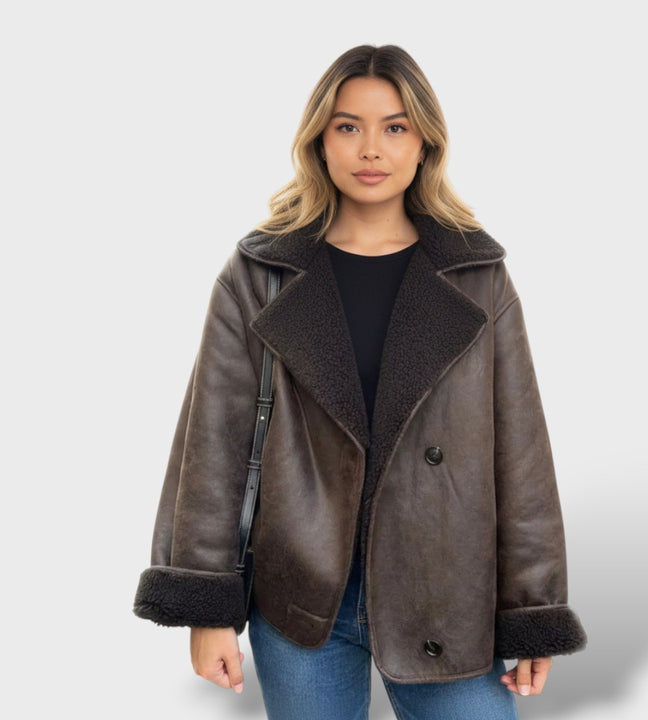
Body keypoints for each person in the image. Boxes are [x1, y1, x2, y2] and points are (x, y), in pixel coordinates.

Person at [133, 44, 586, 719]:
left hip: (445, 592)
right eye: (348, 126)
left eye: (395, 126)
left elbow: (520, 455)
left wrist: (532, 612)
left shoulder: (476, 275)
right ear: (320, 140)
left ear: (424, 143)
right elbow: (212, 446)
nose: (371, 148)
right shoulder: (260, 273)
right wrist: (207, 608)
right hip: (302, 595)